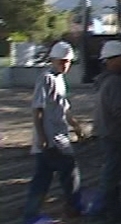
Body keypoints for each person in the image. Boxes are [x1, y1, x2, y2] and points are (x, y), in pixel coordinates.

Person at [21, 41, 86, 224]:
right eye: (61, 61)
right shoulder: (46, 78)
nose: (65, 65)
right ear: (53, 60)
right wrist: (41, 136)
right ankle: (74, 207)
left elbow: (64, 108)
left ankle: (31, 214)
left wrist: (76, 126)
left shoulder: (60, 79)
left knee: (42, 178)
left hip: (59, 136)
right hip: (52, 139)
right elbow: (37, 109)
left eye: (67, 61)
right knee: (70, 172)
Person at [93, 40, 121, 222]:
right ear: (111, 60)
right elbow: (120, 110)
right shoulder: (114, 82)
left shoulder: (104, 81)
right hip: (113, 133)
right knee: (110, 175)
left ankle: (115, 211)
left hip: (105, 132)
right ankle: (98, 213)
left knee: (113, 174)